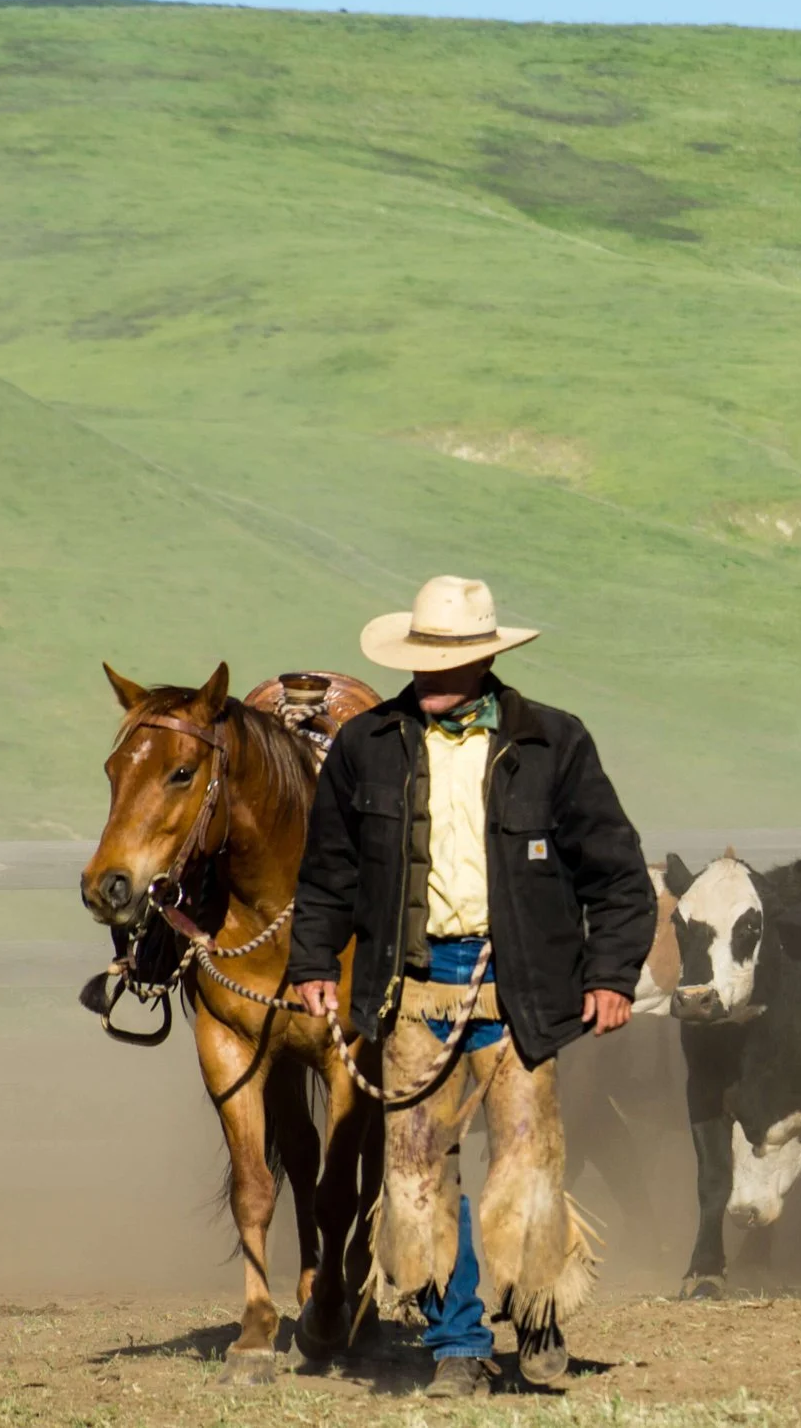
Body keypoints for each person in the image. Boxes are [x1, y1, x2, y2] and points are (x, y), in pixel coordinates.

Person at [288, 575, 653, 1397]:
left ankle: (537, 1315)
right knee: (417, 1174)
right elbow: (328, 873)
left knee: (527, 1163)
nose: (435, 677)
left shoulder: (554, 743)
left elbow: (616, 872)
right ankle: (457, 1341)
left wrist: (611, 975)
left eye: (453, 660)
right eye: (426, 660)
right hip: (413, 988)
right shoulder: (366, 747)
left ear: (486, 659)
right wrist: (313, 962)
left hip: (521, 989)